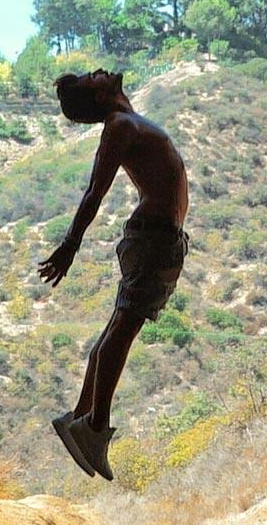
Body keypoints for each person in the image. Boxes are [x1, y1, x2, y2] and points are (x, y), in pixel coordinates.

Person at [38, 68, 189, 481]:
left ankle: (81, 414)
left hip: (156, 238)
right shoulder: (120, 125)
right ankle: (95, 426)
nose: (99, 70)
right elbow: (94, 191)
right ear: (100, 96)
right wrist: (70, 243)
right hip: (153, 239)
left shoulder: (129, 121)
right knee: (123, 330)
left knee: (115, 329)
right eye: (91, 77)